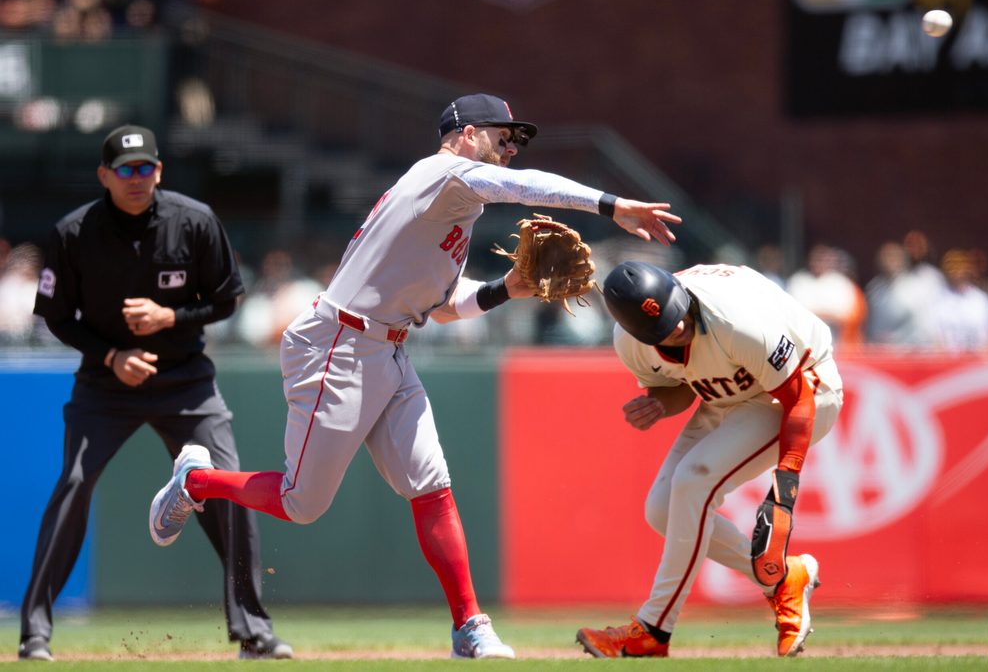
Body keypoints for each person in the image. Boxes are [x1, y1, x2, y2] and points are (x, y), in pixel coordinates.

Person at [147, 93, 682, 659]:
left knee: (432, 483)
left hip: (390, 349)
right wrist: (611, 204)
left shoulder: (453, 205)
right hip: (337, 344)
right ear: (468, 133)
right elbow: (527, 187)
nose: (511, 146)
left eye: (517, 140)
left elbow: (443, 304)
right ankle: (196, 481)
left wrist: (507, 289)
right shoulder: (442, 173)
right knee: (302, 502)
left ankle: (469, 625)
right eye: (504, 135)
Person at [20, 125, 291, 662]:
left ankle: (253, 629)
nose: (137, 178)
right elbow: (55, 318)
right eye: (125, 170)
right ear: (104, 176)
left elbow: (227, 300)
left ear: (160, 171)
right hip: (104, 384)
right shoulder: (73, 232)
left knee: (229, 485)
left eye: (146, 168)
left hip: (185, 381)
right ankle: (35, 632)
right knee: (74, 482)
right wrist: (111, 356)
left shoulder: (194, 221)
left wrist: (171, 315)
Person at [576, 261, 843, 658]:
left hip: (805, 387)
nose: (678, 326)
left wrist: (784, 492)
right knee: (663, 509)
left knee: (693, 482)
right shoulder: (629, 342)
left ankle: (653, 630)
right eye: (664, 328)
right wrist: (659, 406)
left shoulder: (734, 320)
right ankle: (785, 580)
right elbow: (680, 388)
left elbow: (798, 395)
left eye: (676, 312)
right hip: (733, 392)